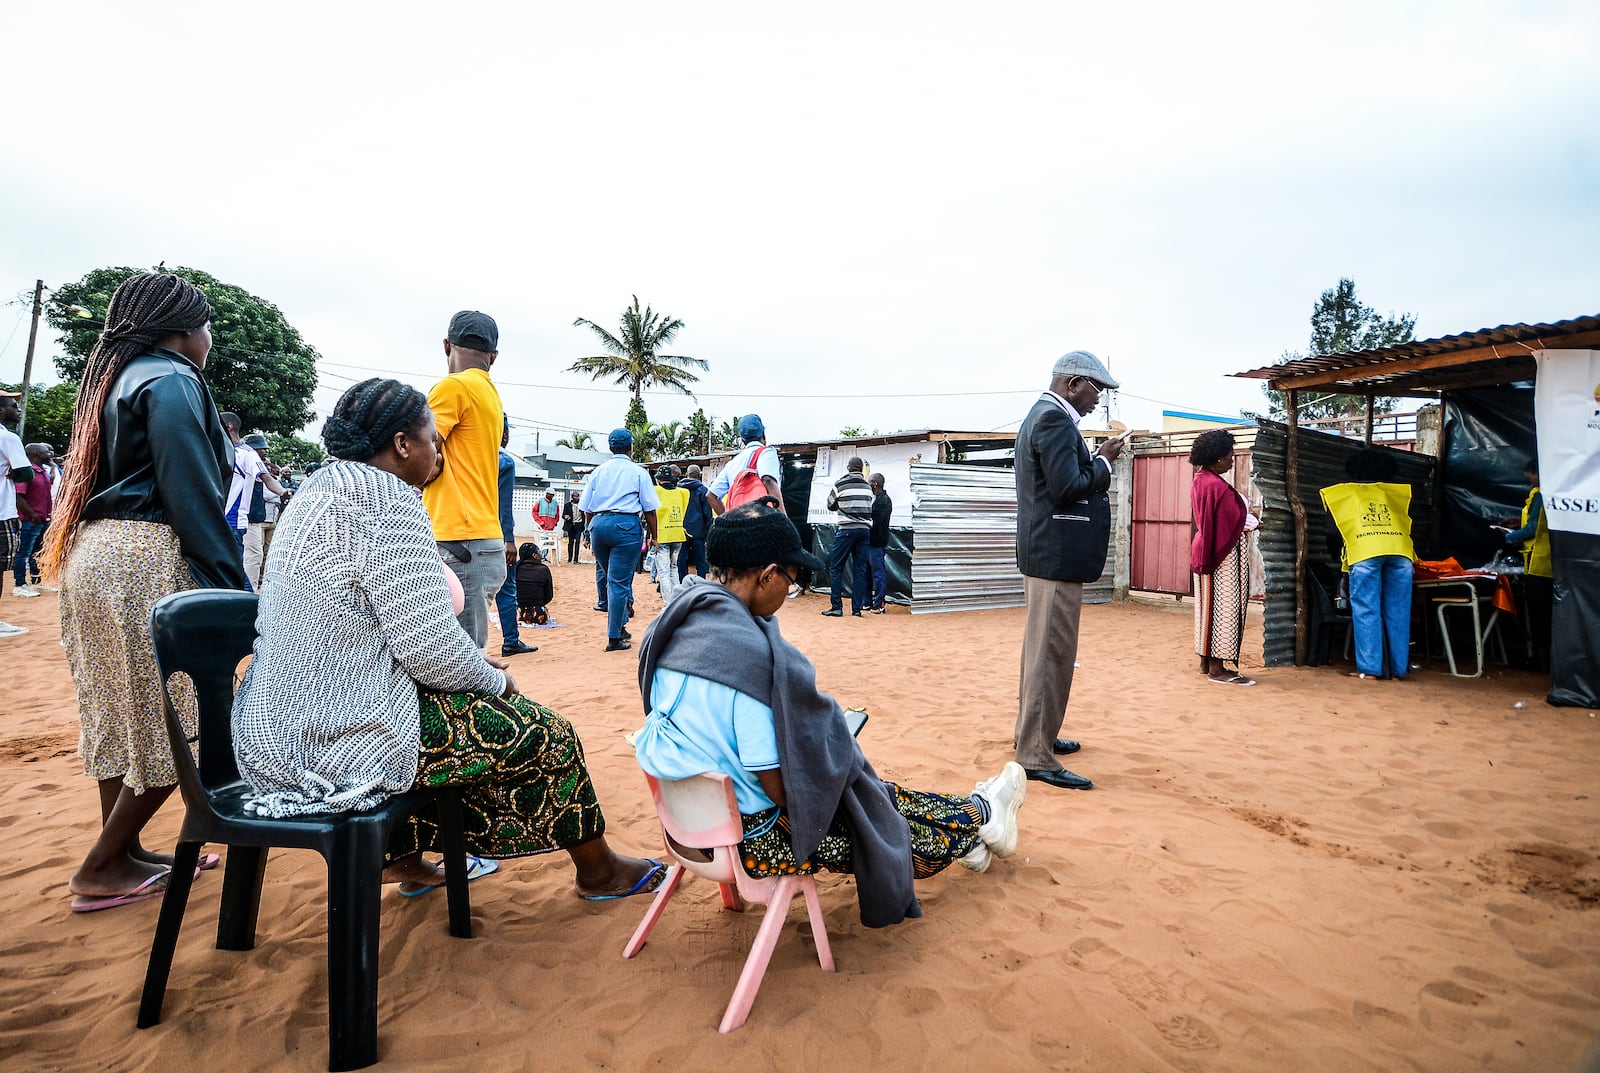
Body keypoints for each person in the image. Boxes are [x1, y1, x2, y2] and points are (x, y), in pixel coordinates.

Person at [232, 378, 665, 901]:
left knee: (445, 713)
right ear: (401, 445)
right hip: (334, 742)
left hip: (268, 733)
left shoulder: (314, 492)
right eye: (434, 439)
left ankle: (405, 857)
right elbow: (431, 650)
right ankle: (598, 871)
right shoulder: (384, 499)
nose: (439, 451)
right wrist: (494, 681)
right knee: (544, 731)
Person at [632, 500, 1029, 929]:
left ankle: (979, 817)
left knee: (873, 794)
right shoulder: (746, 664)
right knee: (880, 821)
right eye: (791, 578)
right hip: (758, 838)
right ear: (767, 575)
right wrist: (829, 755)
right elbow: (783, 791)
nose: (790, 589)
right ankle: (981, 815)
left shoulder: (674, 628)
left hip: (690, 823)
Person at [41, 272, 249, 910]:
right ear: (184, 331)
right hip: (145, 557)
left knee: (118, 708)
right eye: (207, 327)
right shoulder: (173, 379)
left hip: (94, 556)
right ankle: (102, 865)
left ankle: (126, 853)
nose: (209, 340)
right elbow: (191, 492)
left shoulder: (112, 378)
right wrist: (231, 591)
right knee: (179, 716)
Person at [1013, 350, 1127, 791]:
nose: (1099, 399)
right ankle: (1035, 754)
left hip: (1049, 555)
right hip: (1055, 556)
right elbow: (1067, 488)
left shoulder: (1044, 417)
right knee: (1050, 655)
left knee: (1042, 653)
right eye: (1097, 389)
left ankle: (1036, 736)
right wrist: (1102, 461)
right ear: (1073, 383)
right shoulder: (1053, 420)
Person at [423, 310, 509, 650]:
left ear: (447, 346)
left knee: (463, 663)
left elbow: (424, 458)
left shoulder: (452, 387)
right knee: (467, 656)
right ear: (493, 357)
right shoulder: (489, 392)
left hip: (460, 542)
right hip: (477, 540)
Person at [1320, 449, 1415, 680]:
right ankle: (1398, 670)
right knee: (1399, 611)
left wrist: (1340, 558)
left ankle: (1371, 670)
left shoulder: (1343, 494)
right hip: (1401, 552)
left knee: (1366, 611)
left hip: (1365, 552)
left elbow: (1334, 534)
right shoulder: (1395, 493)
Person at [1189, 430, 1258, 685]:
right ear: (1217, 458)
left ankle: (1207, 662)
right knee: (1224, 609)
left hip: (1209, 552)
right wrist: (1250, 522)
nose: (1231, 460)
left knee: (1208, 608)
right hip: (1221, 556)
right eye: (1229, 455)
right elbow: (1223, 521)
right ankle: (1218, 669)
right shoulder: (1213, 484)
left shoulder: (1204, 479)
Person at [583, 429, 659, 651]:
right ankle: (614, 637)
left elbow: (587, 507)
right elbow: (649, 509)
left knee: (612, 580)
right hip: (625, 527)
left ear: (610, 447)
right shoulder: (638, 472)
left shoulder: (598, 472)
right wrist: (654, 536)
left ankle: (621, 625)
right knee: (618, 583)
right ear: (631, 447)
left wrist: (589, 530)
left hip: (599, 525)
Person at [220, 414, 290, 590]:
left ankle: (249, 607)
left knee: (235, 568)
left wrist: (282, 491)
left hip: (233, 520)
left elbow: (267, 479)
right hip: (215, 518)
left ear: (228, 426)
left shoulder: (246, 454)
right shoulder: (218, 450)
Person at [1502, 458, 1551, 670]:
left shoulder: (1541, 495)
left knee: (1539, 615)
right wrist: (1518, 523)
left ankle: (1541, 661)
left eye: (1530, 475)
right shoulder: (1555, 495)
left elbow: (1533, 529)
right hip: (1550, 562)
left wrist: (1509, 537)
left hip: (1538, 563)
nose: (1529, 480)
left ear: (1536, 472)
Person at [494, 420, 536, 657]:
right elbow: (504, 506)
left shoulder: (463, 456)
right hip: (492, 534)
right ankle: (511, 641)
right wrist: (509, 539)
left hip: (457, 532)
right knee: (506, 589)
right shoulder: (503, 461)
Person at [822, 457, 874, 618]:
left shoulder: (840, 484)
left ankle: (837, 607)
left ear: (849, 468)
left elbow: (830, 504)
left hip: (846, 530)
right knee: (859, 570)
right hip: (864, 531)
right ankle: (856, 610)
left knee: (836, 568)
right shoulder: (868, 486)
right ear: (861, 469)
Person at [0, 392, 35, 632]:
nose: (18, 409)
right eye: (13, 406)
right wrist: (15, 472)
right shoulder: (7, 437)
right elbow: (26, 473)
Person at [708, 414, 783, 514]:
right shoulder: (766, 452)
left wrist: (728, 519)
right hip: (762, 523)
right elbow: (768, 480)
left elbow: (711, 495)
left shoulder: (732, 463)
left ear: (743, 440)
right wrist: (783, 518)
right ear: (763, 435)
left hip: (738, 525)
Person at [239, 433, 284, 591]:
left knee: (258, 555)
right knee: (253, 555)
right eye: (261, 448)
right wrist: (282, 492)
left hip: (257, 517)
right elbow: (269, 489)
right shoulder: (247, 462)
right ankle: (248, 592)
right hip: (247, 518)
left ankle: (252, 588)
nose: (265, 451)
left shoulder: (257, 465)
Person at [11, 441, 55, 598]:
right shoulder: (27, 472)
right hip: (31, 520)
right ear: (36, 454)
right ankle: (19, 584)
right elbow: (19, 497)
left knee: (38, 551)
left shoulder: (42, 471)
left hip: (42, 519)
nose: (49, 454)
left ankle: (37, 581)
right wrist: (32, 515)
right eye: (45, 452)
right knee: (24, 552)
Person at [652, 465, 689, 603]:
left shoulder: (656, 491)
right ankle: (677, 601)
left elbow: (652, 514)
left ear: (659, 480)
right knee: (674, 568)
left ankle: (668, 604)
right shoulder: (683, 492)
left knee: (663, 572)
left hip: (662, 535)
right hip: (678, 533)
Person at [676, 464, 713, 581]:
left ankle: (682, 582)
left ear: (687, 474)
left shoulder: (679, 489)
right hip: (699, 531)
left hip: (682, 530)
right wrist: (708, 531)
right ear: (699, 475)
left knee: (681, 559)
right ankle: (701, 583)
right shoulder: (703, 490)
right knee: (700, 560)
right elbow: (707, 513)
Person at [866, 472, 892, 613]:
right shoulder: (876, 499)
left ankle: (879, 604)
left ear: (875, 484)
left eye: (869, 482)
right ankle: (867, 602)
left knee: (877, 573)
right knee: (866, 573)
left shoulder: (884, 501)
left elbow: (875, 520)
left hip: (877, 542)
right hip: (870, 541)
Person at [515, 542, 554, 625]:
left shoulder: (514, 568)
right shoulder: (543, 569)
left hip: (516, 613)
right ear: (534, 555)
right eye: (539, 552)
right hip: (538, 614)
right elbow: (549, 595)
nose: (541, 555)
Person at [533, 487, 561, 563]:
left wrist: (555, 522)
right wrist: (540, 522)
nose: (551, 496)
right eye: (550, 494)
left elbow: (557, 514)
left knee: (548, 543)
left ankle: (544, 557)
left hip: (550, 527)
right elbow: (534, 512)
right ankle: (541, 557)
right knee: (542, 542)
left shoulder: (555, 503)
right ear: (546, 493)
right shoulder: (540, 501)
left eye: (552, 495)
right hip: (541, 527)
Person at [562, 490, 585, 564]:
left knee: (577, 542)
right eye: (575, 496)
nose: (577, 497)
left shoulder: (582, 505)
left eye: (578, 496)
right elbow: (563, 515)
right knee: (571, 542)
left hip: (578, 525)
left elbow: (584, 515)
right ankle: (569, 558)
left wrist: (583, 525)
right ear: (572, 497)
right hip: (570, 525)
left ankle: (576, 559)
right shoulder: (567, 505)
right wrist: (566, 517)